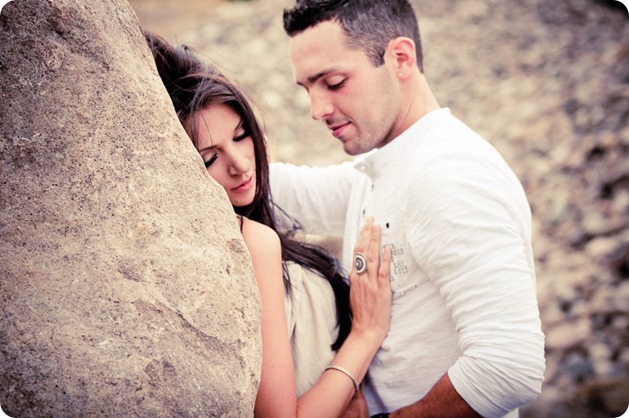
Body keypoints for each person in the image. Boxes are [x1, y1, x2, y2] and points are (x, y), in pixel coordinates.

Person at [270, 1, 546, 417]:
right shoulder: (387, 165)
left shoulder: (448, 174)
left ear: (400, 58)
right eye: (307, 89)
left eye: (333, 81)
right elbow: (284, 192)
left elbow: (508, 364)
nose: (317, 110)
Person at [145, 32, 392, 418]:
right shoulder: (252, 240)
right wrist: (365, 335)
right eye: (209, 159)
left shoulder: (248, 223)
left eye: (242, 136)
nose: (240, 163)